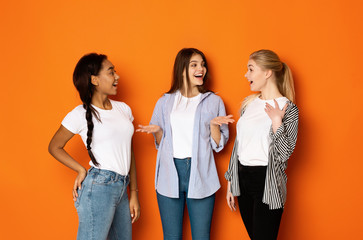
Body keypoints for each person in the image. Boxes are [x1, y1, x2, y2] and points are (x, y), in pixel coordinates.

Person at [137, 48, 234, 240]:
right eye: (194, 65)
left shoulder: (214, 101)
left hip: (201, 173)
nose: (201, 69)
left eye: (203, 64)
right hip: (169, 172)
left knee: (201, 237)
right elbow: (160, 143)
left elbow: (219, 145)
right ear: (182, 69)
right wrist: (158, 133)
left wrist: (214, 126)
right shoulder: (165, 101)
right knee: (171, 237)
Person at [48, 53, 140, 240]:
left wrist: (134, 193)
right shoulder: (80, 114)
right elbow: (54, 146)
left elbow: (129, 152)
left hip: (122, 186)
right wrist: (80, 170)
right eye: (111, 72)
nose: (117, 77)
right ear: (94, 80)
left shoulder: (124, 109)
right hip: (99, 187)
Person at [225, 49, 299, 240]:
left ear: (267, 73)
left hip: (267, 181)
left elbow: (284, 153)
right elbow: (238, 146)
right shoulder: (248, 104)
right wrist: (231, 182)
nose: (246, 75)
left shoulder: (288, 108)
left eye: (251, 69)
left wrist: (276, 122)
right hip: (243, 178)